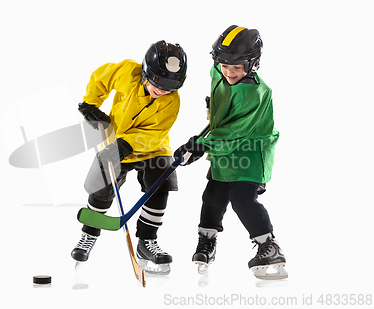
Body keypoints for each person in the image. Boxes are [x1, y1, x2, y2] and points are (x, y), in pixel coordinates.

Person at [174, 26, 287, 279]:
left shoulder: (255, 93)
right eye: (224, 65)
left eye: (237, 68)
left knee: (242, 198)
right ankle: (206, 243)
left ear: (252, 64)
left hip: (250, 152)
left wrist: (202, 145)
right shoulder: (219, 72)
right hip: (223, 151)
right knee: (213, 195)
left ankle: (269, 246)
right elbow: (221, 109)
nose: (229, 72)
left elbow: (236, 131)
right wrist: (202, 138)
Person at [71, 41, 187, 274]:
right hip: (116, 142)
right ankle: (88, 235)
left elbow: (156, 133)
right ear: (145, 72)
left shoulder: (171, 101)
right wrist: (91, 103)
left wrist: (129, 144)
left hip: (152, 147)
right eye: (157, 83)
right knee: (102, 186)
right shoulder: (127, 72)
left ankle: (147, 241)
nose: (162, 90)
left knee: (161, 182)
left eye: (170, 87)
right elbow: (101, 78)